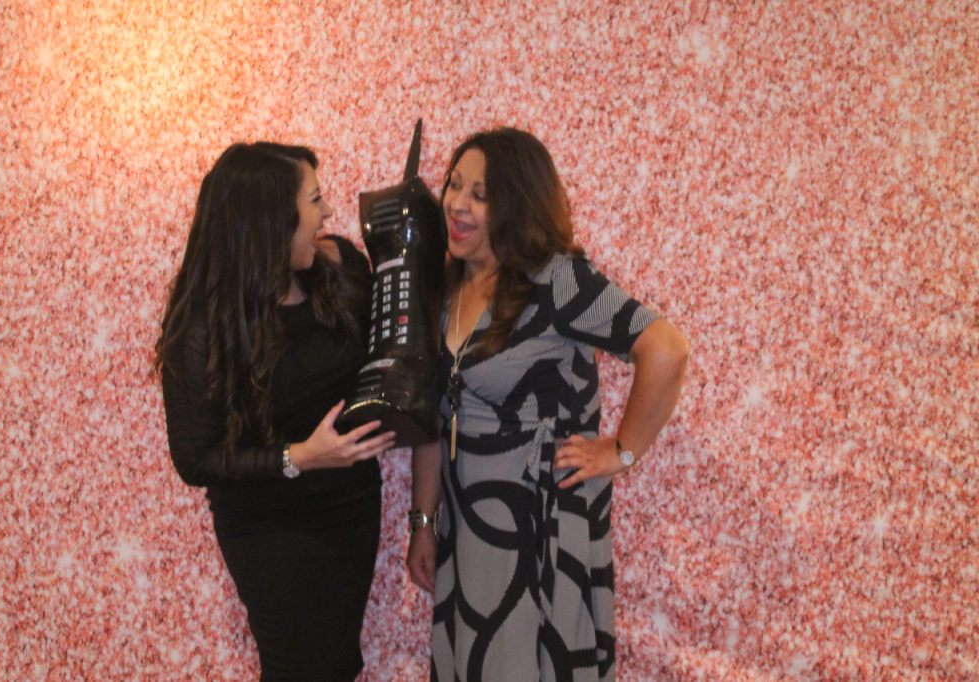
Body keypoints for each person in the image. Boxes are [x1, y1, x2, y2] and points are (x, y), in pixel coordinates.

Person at [406, 128, 689, 681]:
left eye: (480, 194)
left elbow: (666, 349)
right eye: (454, 185)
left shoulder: (557, 280)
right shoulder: (445, 286)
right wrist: (422, 519)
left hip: (540, 523)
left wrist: (622, 451)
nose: (457, 204)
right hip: (468, 523)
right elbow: (434, 416)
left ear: (516, 203)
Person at [156, 142, 395, 681]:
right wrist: (301, 457)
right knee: (299, 669)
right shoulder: (204, 324)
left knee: (336, 665)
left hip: (352, 508)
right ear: (271, 218)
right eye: (314, 200)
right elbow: (196, 458)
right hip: (269, 526)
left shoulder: (340, 269)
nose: (327, 213)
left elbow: (390, 347)